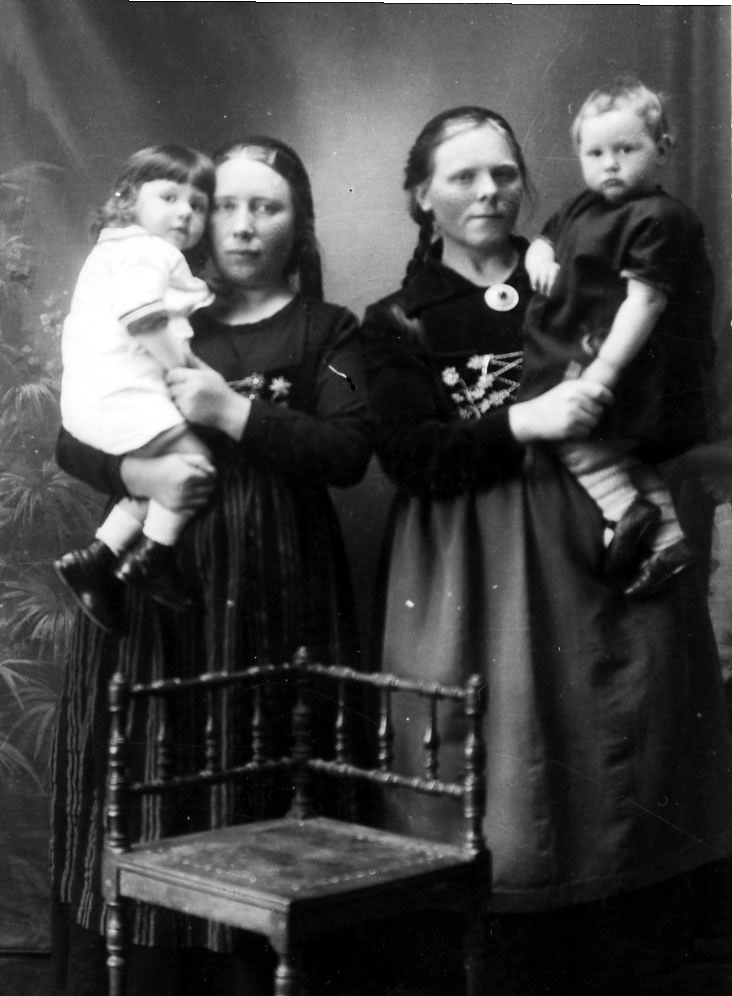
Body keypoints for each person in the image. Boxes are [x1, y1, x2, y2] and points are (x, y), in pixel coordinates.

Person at [361, 105, 732, 995]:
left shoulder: (578, 269)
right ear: (421, 197)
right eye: (462, 176)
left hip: (601, 538)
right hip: (469, 563)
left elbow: (669, 372)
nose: (489, 191)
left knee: (621, 749)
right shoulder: (397, 319)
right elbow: (410, 457)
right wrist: (524, 420)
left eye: (504, 173)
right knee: (501, 770)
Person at [50, 136, 373, 996]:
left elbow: (347, 452)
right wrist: (137, 472)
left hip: (272, 592)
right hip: (149, 597)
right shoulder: (155, 308)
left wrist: (233, 413)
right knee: (148, 780)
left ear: (299, 222)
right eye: (224, 204)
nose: (240, 225)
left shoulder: (327, 331)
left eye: (265, 207)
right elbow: (72, 435)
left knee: (258, 777)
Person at [519, 78, 714, 597]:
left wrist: (604, 369)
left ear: (662, 149)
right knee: (609, 450)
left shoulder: (661, 218)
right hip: (585, 346)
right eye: (596, 153)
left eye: (626, 150)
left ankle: (623, 509)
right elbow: (544, 238)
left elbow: (646, 301)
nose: (610, 164)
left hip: (626, 360)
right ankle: (667, 540)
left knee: (570, 432)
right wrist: (540, 257)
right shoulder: (581, 207)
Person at [55, 145, 218, 627]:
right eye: (169, 197)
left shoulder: (115, 249)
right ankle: (153, 556)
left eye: (198, 205)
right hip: (120, 398)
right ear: (128, 199)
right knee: (194, 463)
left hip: (92, 402)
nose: (185, 212)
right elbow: (142, 319)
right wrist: (183, 368)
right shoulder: (149, 250)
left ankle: (97, 557)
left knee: (160, 471)